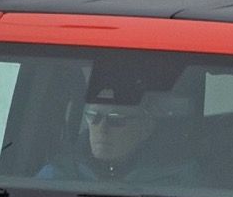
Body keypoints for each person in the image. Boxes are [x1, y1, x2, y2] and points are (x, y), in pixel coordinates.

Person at [37, 69, 197, 185]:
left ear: (146, 128)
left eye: (116, 120)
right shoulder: (57, 175)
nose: (102, 128)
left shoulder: (178, 179)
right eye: (94, 117)